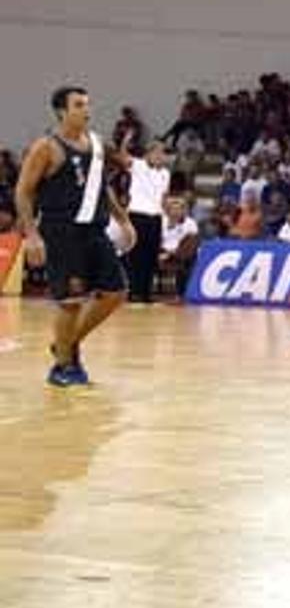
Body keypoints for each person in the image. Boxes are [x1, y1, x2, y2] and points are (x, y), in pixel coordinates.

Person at [13, 86, 133, 386]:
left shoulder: (95, 143)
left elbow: (102, 187)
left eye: (87, 104)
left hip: (95, 229)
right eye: (79, 105)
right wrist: (32, 235)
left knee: (116, 293)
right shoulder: (46, 147)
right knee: (70, 302)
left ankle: (64, 345)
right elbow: (23, 192)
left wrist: (124, 220)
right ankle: (63, 367)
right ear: (61, 112)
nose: (86, 110)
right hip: (61, 232)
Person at [120, 139, 171, 305]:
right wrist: (125, 142)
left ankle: (146, 292)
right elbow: (123, 157)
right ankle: (134, 291)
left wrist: (165, 219)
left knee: (151, 256)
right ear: (148, 153)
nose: (160, 156)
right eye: (157, 152)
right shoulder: (138, 165)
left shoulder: (165, 174)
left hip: (155, 217)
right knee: (137, 255)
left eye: (162, 153)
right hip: (138, 216)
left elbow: (163, 198)